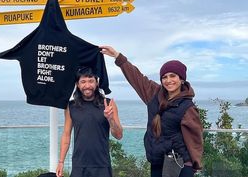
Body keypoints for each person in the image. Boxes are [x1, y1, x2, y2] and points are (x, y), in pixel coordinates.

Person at [100, 45, 203, 177]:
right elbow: (137, 78)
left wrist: (193, 166)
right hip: (157, 161)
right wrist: (118, 57)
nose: (168, 80)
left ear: (181, 79)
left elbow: (196, 139)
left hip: (179, 164)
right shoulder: (154, 93)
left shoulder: (187, 107)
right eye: (164, 77)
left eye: (173, 76)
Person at [56, 67, 123, 177]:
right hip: (79, 165)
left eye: (91, 81)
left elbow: (119, 135)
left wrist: (110, 119)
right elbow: (66, 135)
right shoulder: (71, 106)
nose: (87, 86)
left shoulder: (108, 104)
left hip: (102, 165)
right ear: (77, 84)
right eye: (83, 81)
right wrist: (61, 162)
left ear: (97, 83)